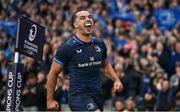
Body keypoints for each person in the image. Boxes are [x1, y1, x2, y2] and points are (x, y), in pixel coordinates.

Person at [47, 9, 124, 111]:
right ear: (75, 25)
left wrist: (116, 80)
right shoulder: (67, 47)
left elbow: (105, 65)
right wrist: (50, 99)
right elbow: (53, 72)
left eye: (89, 17)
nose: (88, 19)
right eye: (82, 18)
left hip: (97, 95)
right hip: (78, 97)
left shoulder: (99, 43)